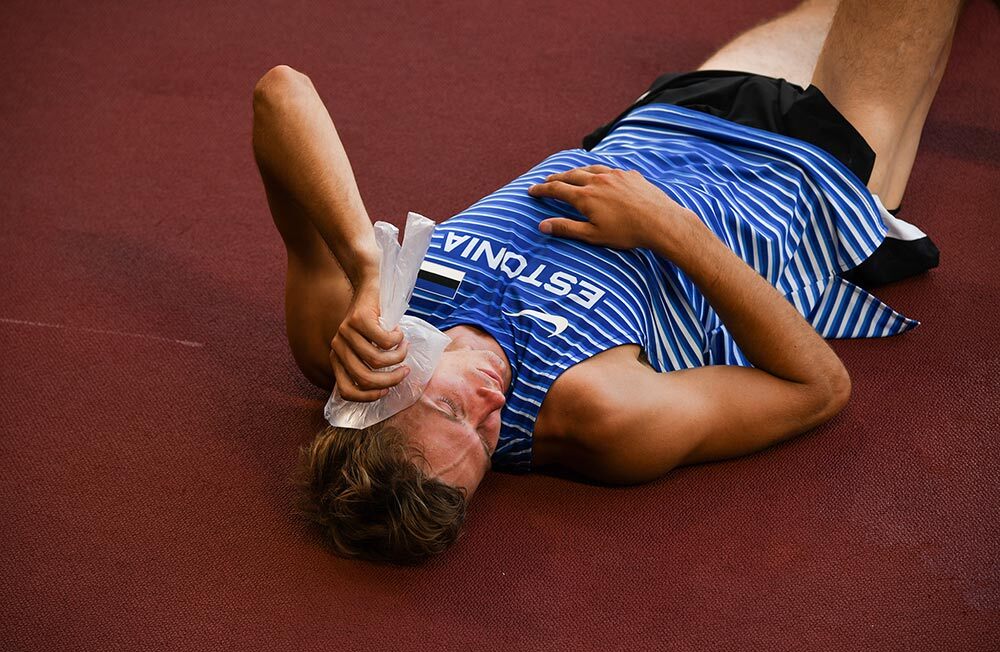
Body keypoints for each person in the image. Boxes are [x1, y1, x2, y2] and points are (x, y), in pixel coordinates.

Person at [251, 0, 961, 564]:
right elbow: (821, 388)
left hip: (667, 117)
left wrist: (363, 262)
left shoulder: (352, 334)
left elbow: (280, 94)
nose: (491, 405)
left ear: (373, 395)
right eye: (490, 442)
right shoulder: (598, 414)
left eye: (451, 412)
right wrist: (666, 227)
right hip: (806, 179)